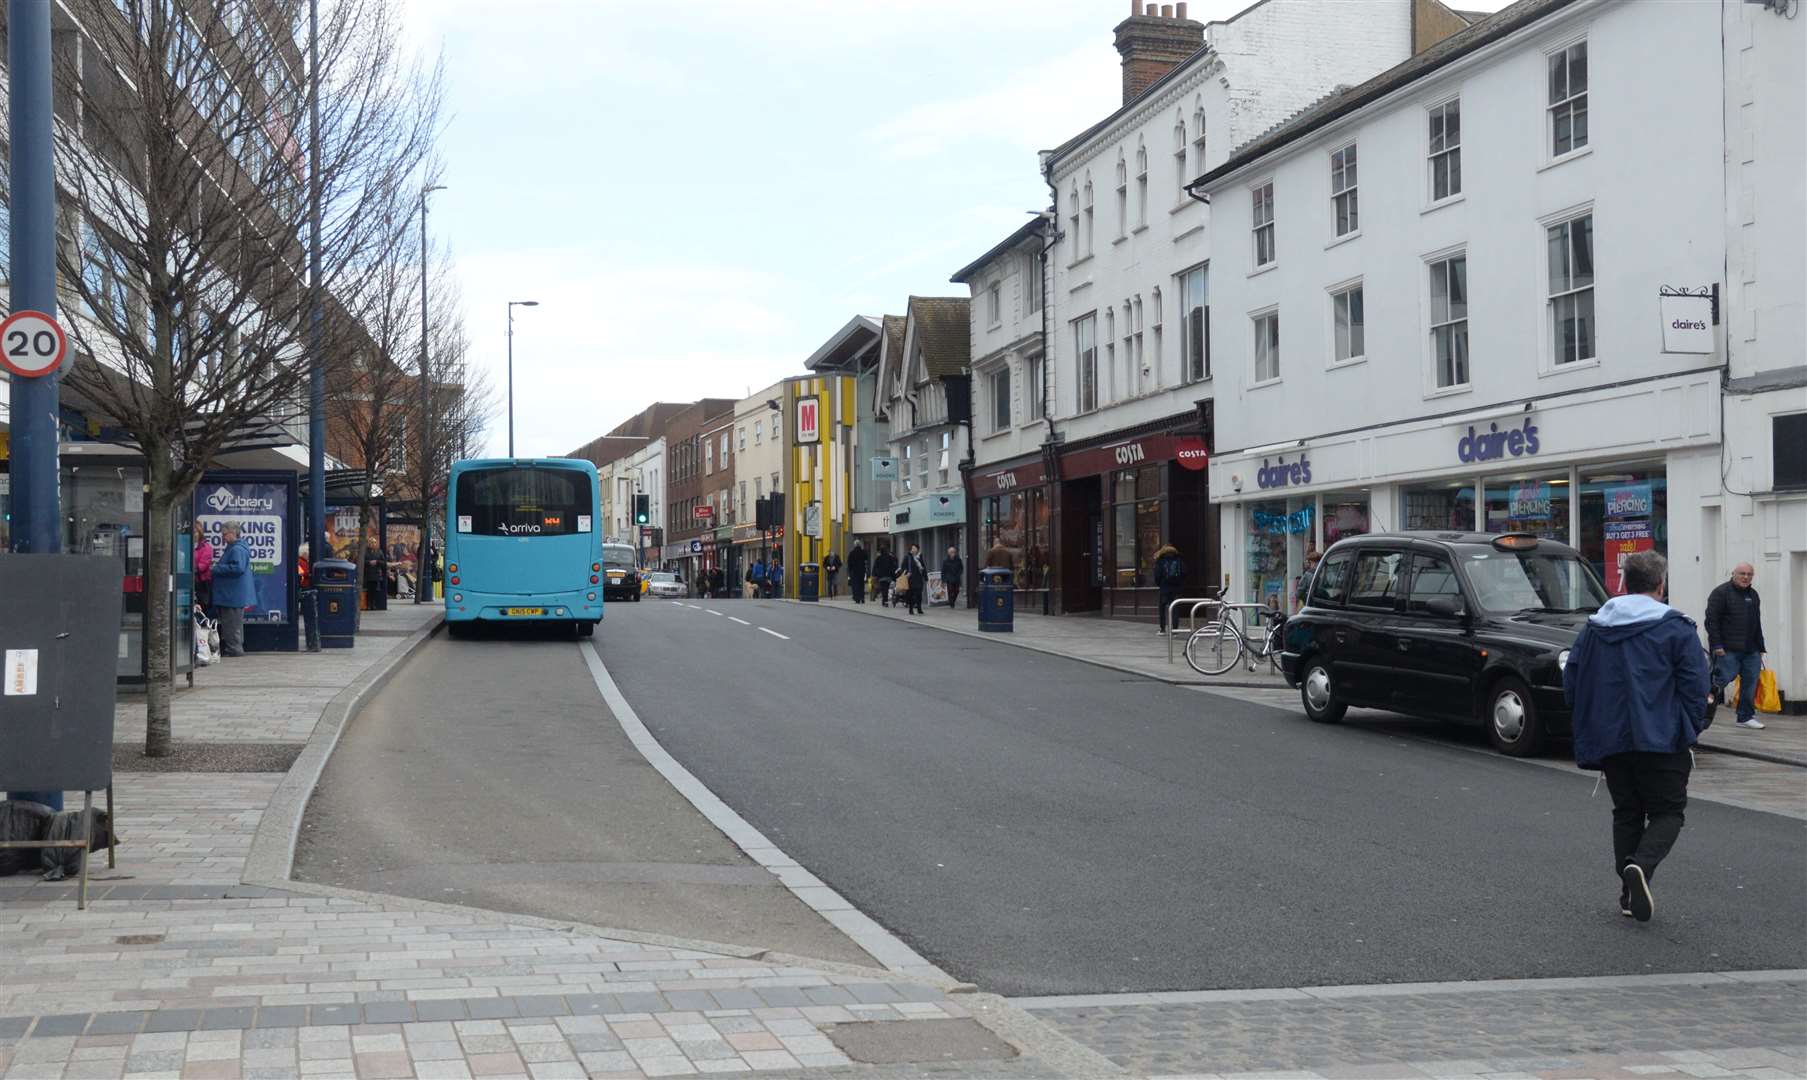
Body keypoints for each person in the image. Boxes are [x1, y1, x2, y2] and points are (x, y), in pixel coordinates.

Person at [1562, 549, 1712, 923]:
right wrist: (1690, 727)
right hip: (1661, 736)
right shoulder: (1676, 628)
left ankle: (1628, 894)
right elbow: (1696, 685)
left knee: (1627, 811)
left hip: (1611, 737)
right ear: (1661, 585)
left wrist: (1589, 721)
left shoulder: (1595, 628)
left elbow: (1572, 680)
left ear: (1625, 583)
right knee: (1668, 812)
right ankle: (1640, 867)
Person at [1705, 563, 1768, 730]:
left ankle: (1745, 717)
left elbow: (1756, 623)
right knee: (1718, 682)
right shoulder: (1720, 593)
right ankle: (1701, 711)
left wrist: (1761, 647)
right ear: (1733, 573)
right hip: (1727, 649)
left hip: (1751, 650)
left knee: (1750, 683)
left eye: (1749, 574)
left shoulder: (1753, 595)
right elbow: (1711, 622)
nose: (1745, 577)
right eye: (1742, 573)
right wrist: (1717, 645)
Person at [211, 522, 256, 657]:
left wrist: (216, 568)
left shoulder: (236, 549)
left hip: (232, 595)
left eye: (224, 534)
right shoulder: (236, 548)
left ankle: (234, 650)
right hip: (232, 594)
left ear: (233, 533)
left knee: (231, 625)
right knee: (233, 624)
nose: (223, 537)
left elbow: (238, 568)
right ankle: (234, 648)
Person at [1153, 543, 1185, 635]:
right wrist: (1180, 584)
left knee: (1162, 609)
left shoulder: (1160, 561)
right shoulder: (1179, 560)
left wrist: (1161, 584)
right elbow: (1184, 573)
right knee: (1175, 608)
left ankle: (1163, 629)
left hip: (1164, 588)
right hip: (1176, 589)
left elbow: (1157, 576)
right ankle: (1175, 630)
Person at [897, 543, 927, 615]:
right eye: (912, 548)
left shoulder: (920, 557)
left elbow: (923, 567)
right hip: (910, 578)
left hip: (919, 578)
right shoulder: (907, 557)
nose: (914, 549)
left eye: (915, 548)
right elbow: (903, 567)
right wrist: (906, 573)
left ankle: (919, 608)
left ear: (918, 549)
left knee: (919, 594)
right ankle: (911, 608)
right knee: (911, 594)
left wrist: (925, 577)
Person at [192, 521, 214, 615]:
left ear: (200, 533)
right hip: (188, 581)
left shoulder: (206, 547)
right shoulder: (183, 544)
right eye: (192, 532)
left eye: (196, 532)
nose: (194, 534)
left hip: (200, 584)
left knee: (201, 610)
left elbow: (202, 566)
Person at [1295, 549, 1321, 613]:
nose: (1315, 564)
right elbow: (1299, 593)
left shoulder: (1321, 573)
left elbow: (1298, 593)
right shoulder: (1308, 575)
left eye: (1316, 562)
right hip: (1313, 607)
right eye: (1313, 562)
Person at [847, 540, 869, 604]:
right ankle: (862, 597)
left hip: (854, 572)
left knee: (855, 585)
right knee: (861, 585)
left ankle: (857, 598)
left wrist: (849, 571)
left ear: (854, 545)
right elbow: (866, 560)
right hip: (862, 571)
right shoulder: (863, 552)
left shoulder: (852, 553)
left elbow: (849, 563)